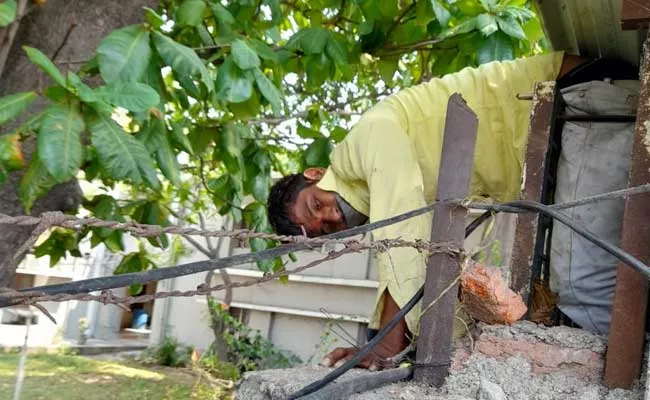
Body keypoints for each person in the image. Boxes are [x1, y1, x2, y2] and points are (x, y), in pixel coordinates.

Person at [266, 50, 587, 371]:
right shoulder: (374, 188)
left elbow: (401, 238)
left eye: (316, 205)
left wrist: (385, 345)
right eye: (324, 230)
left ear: (315, 174)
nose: (332, 217)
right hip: (557, 132)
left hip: (576, 92)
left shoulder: (366, 138)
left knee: (584, 288)